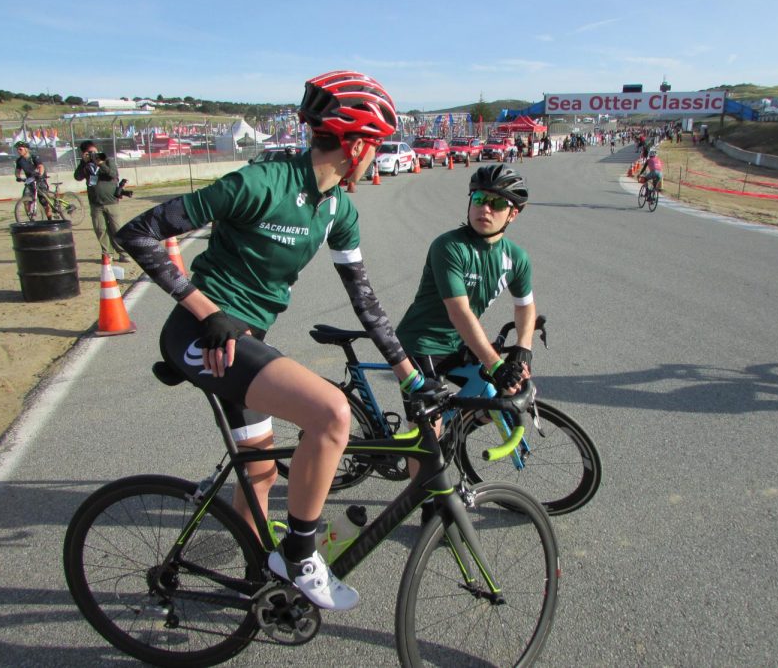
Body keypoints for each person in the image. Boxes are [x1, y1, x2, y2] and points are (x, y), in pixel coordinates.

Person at [115, 70, 433, 612]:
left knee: (260, 473)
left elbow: (366, 303)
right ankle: (302, 555)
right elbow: (138, 232)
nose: (377, 158)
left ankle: (254, 585)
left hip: (243, 343)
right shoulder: (261, 183)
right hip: (202, 334)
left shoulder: (339, 209)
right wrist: (207, 310)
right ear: (356, 145)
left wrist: (413, 378)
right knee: (332, 413)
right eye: (376, 147)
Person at [395, 164, 535, 519]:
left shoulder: (514, 258)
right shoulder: (449, 246)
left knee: (500, 396)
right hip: (421, 342)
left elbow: (526, 306)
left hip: (460, 344)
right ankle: (428, 504)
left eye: (495, 203)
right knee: (429, 427)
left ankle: (453, 433)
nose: (484, 208)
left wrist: (523, 348)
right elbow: (459, 313)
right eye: (478, 198)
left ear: (513, 214)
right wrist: (496, 363)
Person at [75, 140, 130, 262]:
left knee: (117, 228)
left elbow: (113, 174)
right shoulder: (85, 165)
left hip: (111, 201)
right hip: (96, 203)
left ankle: (123, 253)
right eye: (88, 153)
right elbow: (77, 177)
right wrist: (83, 163)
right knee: (101, 229)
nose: (92, 154)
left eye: (94, 151)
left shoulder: (107, 160)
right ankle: (107, 253)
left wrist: (100, 163)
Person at [13, 141, 52, 219]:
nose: (18, 151)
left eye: (20, 149)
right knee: (26, 200)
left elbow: (41, 166)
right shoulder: (19, 161)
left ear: (26, 149)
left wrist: (40, 175)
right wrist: (18, 177)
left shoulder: (34, 157)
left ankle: (50, 218)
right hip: (30, 181)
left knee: (44, 201)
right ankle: (31, 217)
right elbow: (17, 171)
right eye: (17, 149)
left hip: (40, 179)